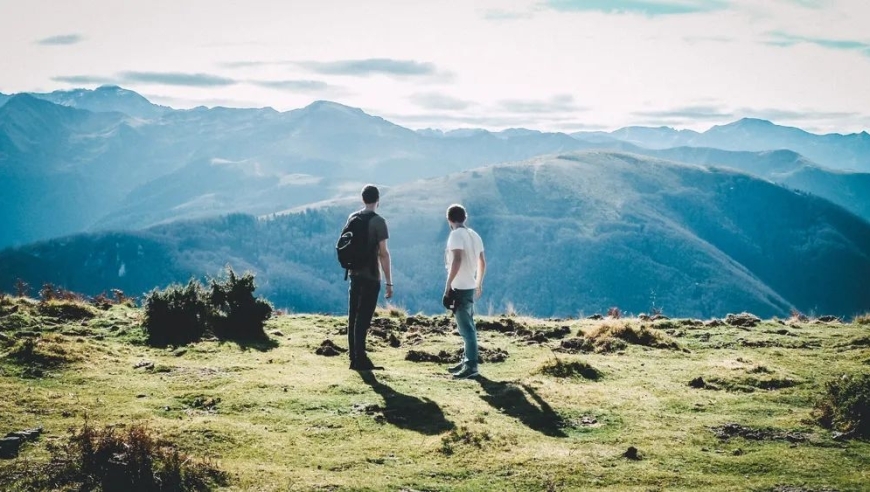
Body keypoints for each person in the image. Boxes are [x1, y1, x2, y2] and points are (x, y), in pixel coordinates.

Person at [347, 185, 393, 371]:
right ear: (378, 200)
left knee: (353, 316)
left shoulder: (353, 217)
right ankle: (361, 360)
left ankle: (354, 358)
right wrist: (389, 281)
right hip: (371, 275)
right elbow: (384, 253)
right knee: (364, 318)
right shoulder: (379, 222)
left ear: (362, 199)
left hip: (354, 273)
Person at [443, 204, 486, 379]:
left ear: (449, 220)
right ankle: (466, 361)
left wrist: (448, 285)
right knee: (467, 325)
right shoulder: (474, 235)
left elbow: (457, 260)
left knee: (466, 328)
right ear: (464, 218)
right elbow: (482, 261)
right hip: (470, 285)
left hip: (460, 287)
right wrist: (479, 282)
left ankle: (471, 366)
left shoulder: (455, 235)